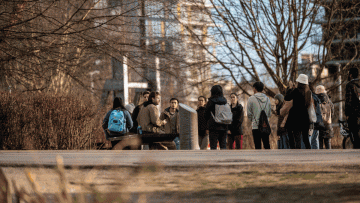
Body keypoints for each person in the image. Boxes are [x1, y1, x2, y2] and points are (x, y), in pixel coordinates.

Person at [285, 74, 312, 149]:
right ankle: (309, 153)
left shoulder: (296, 91)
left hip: (296, 116)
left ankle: (296, 153)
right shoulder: (308, 92)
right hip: (305, 116)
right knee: (305, 138)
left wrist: (290, 88)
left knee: (297, 137)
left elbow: (287, 98)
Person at [247, 81, 272, 149]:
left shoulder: (251, 99)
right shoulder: (267, 99)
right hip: (265, 125)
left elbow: (249, 114)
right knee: (267, 146)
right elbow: (269, 113)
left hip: (255, 126)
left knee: (257, 147)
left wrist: (254, 120)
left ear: (255, 88)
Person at [205, 85, 229, 150]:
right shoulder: (225, 101)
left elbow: (206, 114)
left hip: (213, 127)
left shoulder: (211, 101)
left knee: (213, 147)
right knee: (223, 146)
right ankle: (224, 159)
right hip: (224, 126)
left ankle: (214, 159)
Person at [345, 67, 360, 149]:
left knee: (355, 134)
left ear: (350, 75)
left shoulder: (350, 85)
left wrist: (347, 114)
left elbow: (348, 101)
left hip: (354, 114)